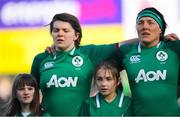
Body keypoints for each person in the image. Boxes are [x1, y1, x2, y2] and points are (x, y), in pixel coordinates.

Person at [31, 13, 179, 116]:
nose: (60, 34)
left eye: (65, 30)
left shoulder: (90, 53)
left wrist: (157, 39)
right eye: (56, 30)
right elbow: (30, 93)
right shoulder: (41, 59)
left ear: (76, 35)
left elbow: (120, 45)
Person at [109, 7, 180, 116]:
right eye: (140, 23)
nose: (145, 26)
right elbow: (105, 73)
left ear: (160, 29)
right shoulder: (126, 52)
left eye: (150, 23)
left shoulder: (173, 48)